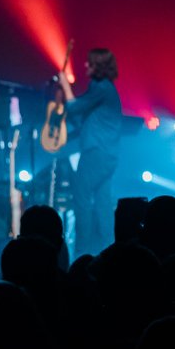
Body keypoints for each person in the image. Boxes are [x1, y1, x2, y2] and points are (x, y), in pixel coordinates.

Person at [58, 48, 122, 257]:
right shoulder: (106, 89)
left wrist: (65, 85)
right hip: (107, 155)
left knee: (82, 200)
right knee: (103, 204)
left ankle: (81, 255)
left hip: (96, 153)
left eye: (89, 63)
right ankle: (108, 252)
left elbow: (75, 108)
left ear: (98, 66)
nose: (85, 66)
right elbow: (85, 120)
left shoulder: (100, 88)